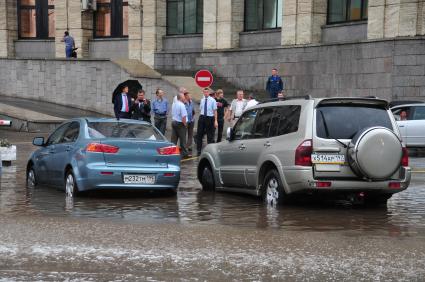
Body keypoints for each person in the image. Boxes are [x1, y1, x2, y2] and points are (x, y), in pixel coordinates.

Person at [196, 88, 218, 156]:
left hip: (210, 118)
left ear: (208, 93)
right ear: (203, 92)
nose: (205, 93)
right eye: (204, 92)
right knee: (199, 134)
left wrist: (215, 121)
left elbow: (215, 111)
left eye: (207, 92)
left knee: (210, 135)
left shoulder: (213, 100)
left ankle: (209, 151)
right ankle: (199, 150)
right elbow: (201, 109)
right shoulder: (202, 100)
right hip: (202, 117)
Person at [171, 93, 190, 158]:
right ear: (180, 98)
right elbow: (184, 116)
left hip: (174, 122)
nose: (184, 98)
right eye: (183, 97)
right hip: (180, 123)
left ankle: (172, 152)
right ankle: (184, 153)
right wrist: (185, 124)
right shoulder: (182, 105)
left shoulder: (174, 104)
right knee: (183, 139)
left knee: (174, 139)